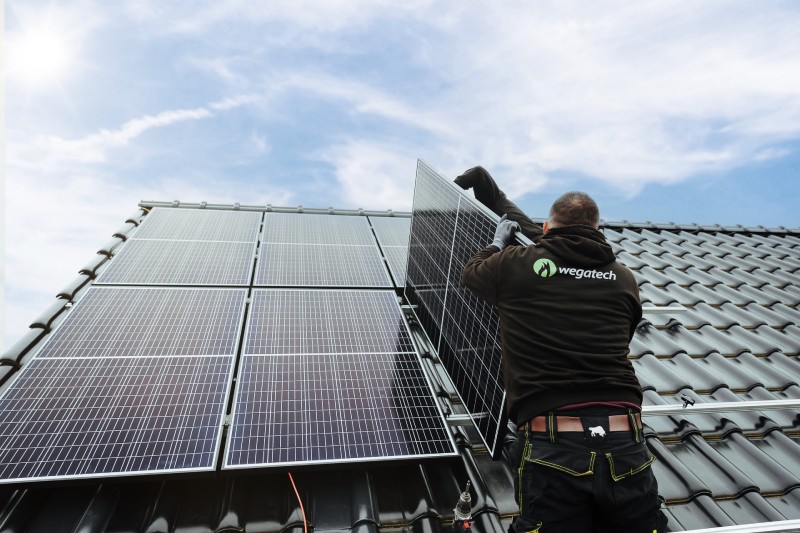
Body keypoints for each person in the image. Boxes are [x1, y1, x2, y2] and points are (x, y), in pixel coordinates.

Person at [457, 166, 665, 533]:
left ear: (547, 230)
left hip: (556, 443)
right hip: (627, 441)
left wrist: (496, 243)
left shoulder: (515, 264)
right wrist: (493, 194)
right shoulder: (623, 278)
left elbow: (472, 272)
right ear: (598, 232)